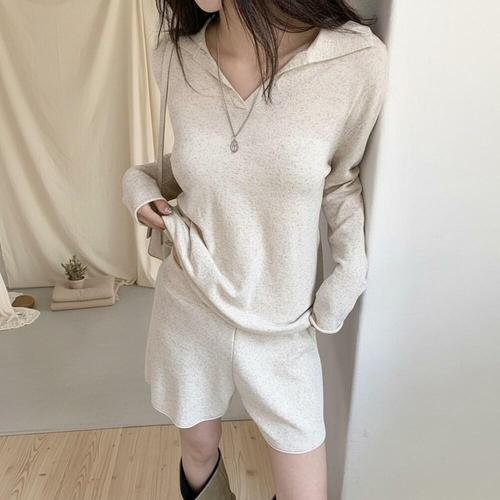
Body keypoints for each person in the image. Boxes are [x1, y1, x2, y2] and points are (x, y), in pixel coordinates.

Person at [122, 1, 388, 498]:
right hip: (189, 299)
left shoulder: (353, 60)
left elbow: (340, 179)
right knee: (198, 448)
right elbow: (192, 166)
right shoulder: (175, 58)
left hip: (281, 319)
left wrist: (350, 270)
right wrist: (137, 185)